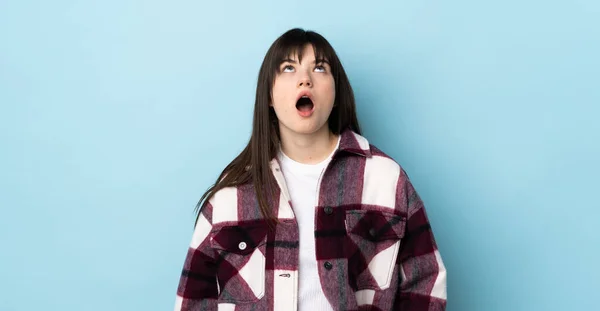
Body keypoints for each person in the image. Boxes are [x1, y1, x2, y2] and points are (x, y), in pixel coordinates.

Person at [174, 28, 447, 311]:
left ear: (337, 92)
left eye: (319, 68)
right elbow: (194, 298)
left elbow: (425, 280)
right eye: (288, 68)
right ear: (268, 95)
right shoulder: (231, 193)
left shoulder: (386, 179)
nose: (305, 78)